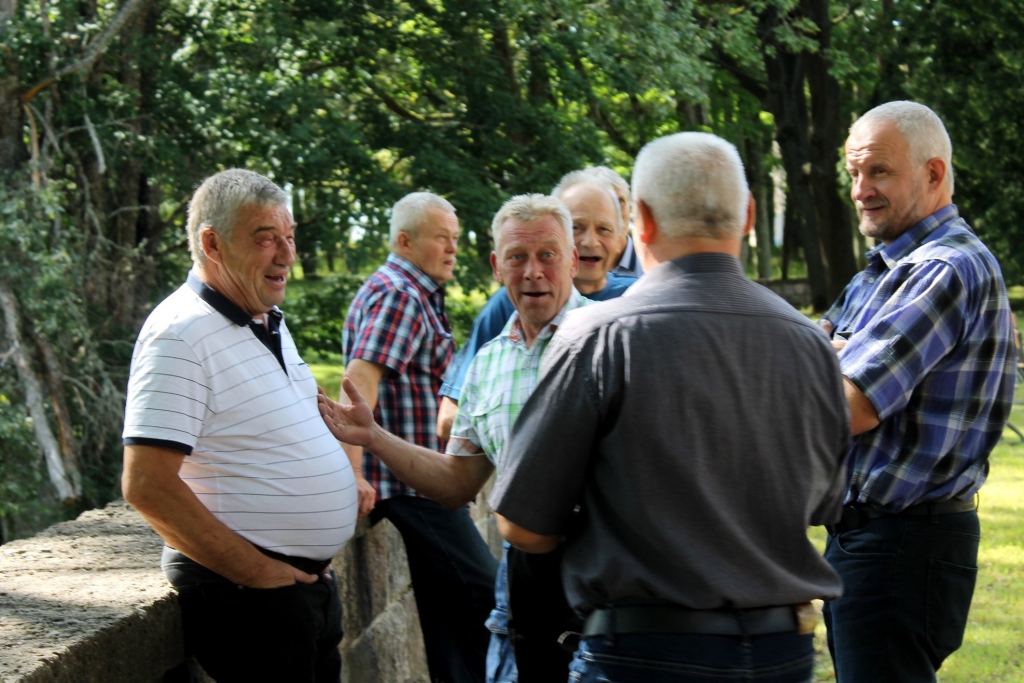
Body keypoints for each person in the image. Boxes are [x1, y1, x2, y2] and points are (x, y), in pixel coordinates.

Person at [489, 132, 852, 682]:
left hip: (640, 652)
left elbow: (521, 524)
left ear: (642, 220)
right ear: (749, 215)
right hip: (782, 653)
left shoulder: (598, 337)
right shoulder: (810, 344)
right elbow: (824, 500)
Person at [319, 193, 588, 683]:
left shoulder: (609, 341)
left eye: (548, 255)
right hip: (526, 589)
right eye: (517, 257)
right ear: (495, 266)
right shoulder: (487, 362)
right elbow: (457, 481)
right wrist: (371, 440)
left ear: (571, 259)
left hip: (602, 590)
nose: (532, 272)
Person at [121, 169, 358, 683]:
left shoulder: (265, 319)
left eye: (290, 237)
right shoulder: (180, 334)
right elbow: (146, 485)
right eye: (265, 238)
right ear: (212, 243)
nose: (287, 254)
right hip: (249, 597)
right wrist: (261, 574)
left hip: (299, 588)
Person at [818, 101, 1016, 682]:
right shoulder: (880, 273)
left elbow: (848, 405)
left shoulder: (945, 269)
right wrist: (825, 359)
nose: (860, 190)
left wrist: (830, 360)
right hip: (876, 543)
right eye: (854, 173)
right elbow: (796, 359)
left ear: (933, 174)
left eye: (878, 171)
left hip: (903, 545)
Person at [340, 192, 497, 683]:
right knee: (489, 593)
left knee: (449, 615)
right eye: (440, 238)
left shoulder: (409, 290)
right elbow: (359, 380)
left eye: (455, 238)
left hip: (417, 479)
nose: (452, 248)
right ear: (405, 241)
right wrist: (353, 475)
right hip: (409, 487)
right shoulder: (401, 294)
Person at [436, 172, 636, 440]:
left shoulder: (636, 303)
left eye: (604, 229)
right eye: (577, 227)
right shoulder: (508, 305)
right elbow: (452, 418)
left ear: (622, 236)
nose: (589, 241)